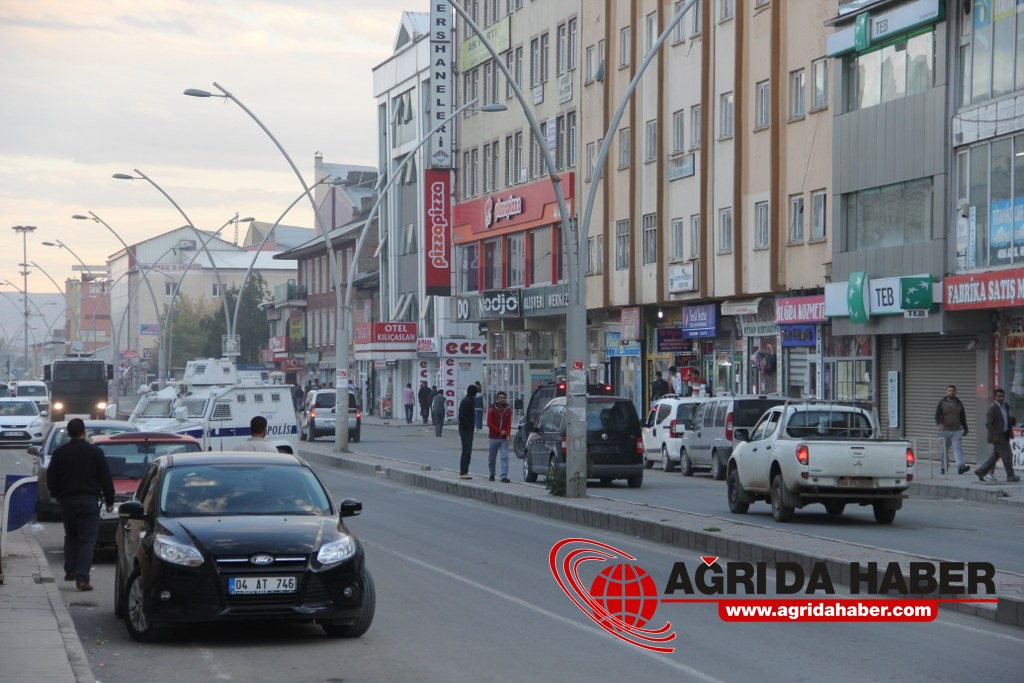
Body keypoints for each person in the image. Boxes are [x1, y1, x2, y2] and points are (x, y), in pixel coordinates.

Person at [45, 418, 114, 591]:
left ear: (69, 433)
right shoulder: (95, 452)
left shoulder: (60, 453)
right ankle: (82, 578)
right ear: (84, 432)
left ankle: (70, 569)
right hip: (89, 500)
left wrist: (56, 495)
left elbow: (51, 478)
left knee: (71, 534)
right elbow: (105, 478)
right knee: (88, 540)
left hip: (67, 501)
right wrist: (110, 501)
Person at [978, 388, 1021, 483]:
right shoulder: (993, 408)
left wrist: (1011, 430)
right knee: (1007, 456)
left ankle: (981, 471)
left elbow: (1008, 420)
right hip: (998, 436)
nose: (1001, 398)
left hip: (1005, 434)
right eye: (999, 396)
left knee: (995, 456)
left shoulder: (1005, 406)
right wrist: (995, 435)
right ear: (994, 397)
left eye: (1002, 396)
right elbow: (988, 423)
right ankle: (1010, 476)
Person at [934, 384, 970, 475]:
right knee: (944, 450)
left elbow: (962, 417)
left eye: (953, 391)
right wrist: (939, 424)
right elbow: (937, 415)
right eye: (949, 391)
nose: (951, 392)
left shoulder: (959, 403)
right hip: (944, 430)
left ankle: (961, 466)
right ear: (946, 392)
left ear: (956, 392)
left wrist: (965, 428)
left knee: (957, 449)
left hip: (956, 430)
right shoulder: (942, 403)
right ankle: (944, 467)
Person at [487, 391, 513, 482]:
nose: (502, 399)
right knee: (491, 458)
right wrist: (500, 431)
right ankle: (492, 474)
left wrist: (508, 436)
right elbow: (489, 423)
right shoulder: (492, 409)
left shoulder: (508, 409)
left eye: (503, 398)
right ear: (497, 399)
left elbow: (509, 424)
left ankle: (504, 476)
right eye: (500, 398)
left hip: (503, 439)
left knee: (505, 457)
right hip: (493, 438)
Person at [458, 384, 478, 479]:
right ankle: (463, 472)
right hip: (465, 430)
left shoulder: (469, 400)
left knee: (468, 451)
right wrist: (469, 427)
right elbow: (462, 416)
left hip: (467, 429)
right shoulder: (467, 401)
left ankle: (465, 471)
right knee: (466, 451)